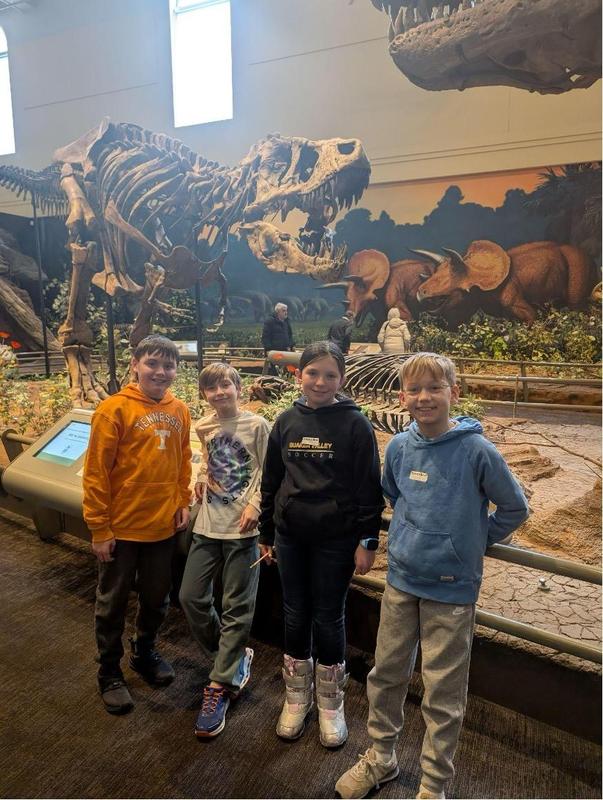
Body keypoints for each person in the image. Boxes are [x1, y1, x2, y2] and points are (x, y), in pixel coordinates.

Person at [336, 352, 529, 800]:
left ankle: (434, 784)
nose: (424, 398)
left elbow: (515, 508)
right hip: (402, 581)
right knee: (386, 674)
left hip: (452, 591)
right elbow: (392, 495)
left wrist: (470, 542)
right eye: (414, 390)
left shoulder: (478, 451)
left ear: (453, 393)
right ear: (402, 397)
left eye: (434, 388)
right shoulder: (401, 446)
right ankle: (380, 758)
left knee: (442, 690)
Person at [258, 341, 384, 748]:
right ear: (300, 375)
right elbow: (271, 481)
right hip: (291, 536)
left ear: (342, 380)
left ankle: (331, 705)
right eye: (313, 373)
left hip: (336, 538)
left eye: (330, 375)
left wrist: (368, 541)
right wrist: (266, 533)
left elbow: (369, 489)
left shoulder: (355, 425)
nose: (320, 381)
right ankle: (297, 698)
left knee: (329, 616)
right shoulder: (285, 421)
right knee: (295, 614)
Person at [83, 334, 192, 715]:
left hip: (162, 527)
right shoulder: (113, 410)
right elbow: (95, 473)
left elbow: (183, 459)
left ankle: (143, 651)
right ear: (135, 365)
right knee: (111, 602)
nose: (160, 372)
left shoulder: (179, 409)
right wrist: (99, 528)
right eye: (152, 364)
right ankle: (109, 672)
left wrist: (182, 501)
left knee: (157, 598)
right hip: (121, 529)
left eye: (168, 365)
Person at [179, 363, 271, 738]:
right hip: (207, 526)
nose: (219, 393)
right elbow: (207, 464)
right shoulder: (204, 426)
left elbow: (270, 470)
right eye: (211, 388)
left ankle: (218, 686)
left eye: (225, 386)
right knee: (191, 598)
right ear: (204, 394)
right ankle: (232, 661)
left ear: (239, 387)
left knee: (237, 606)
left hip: (243, 530)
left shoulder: (258, 426)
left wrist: (257, 505)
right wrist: (200, 481)